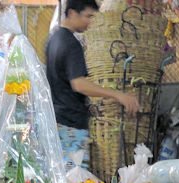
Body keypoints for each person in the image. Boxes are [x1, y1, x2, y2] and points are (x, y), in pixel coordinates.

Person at [45, 0, 139, 171]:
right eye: (88, 16)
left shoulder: (53, 39)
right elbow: (79, 84)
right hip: (71, 123)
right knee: (76, 180)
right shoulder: (71, 44)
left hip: (56, 120)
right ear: (72, 13)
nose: (91, 22)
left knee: (62, 178)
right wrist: (118, 95)